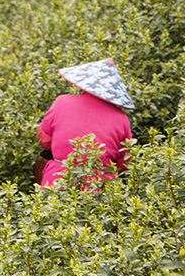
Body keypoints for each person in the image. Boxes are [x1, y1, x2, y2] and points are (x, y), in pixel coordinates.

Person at [36, 58, 134, 188]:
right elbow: (124, 162)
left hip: (59, 181)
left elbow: (45, 140)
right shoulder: (121, 118)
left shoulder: (62, 102)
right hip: (100, 187)